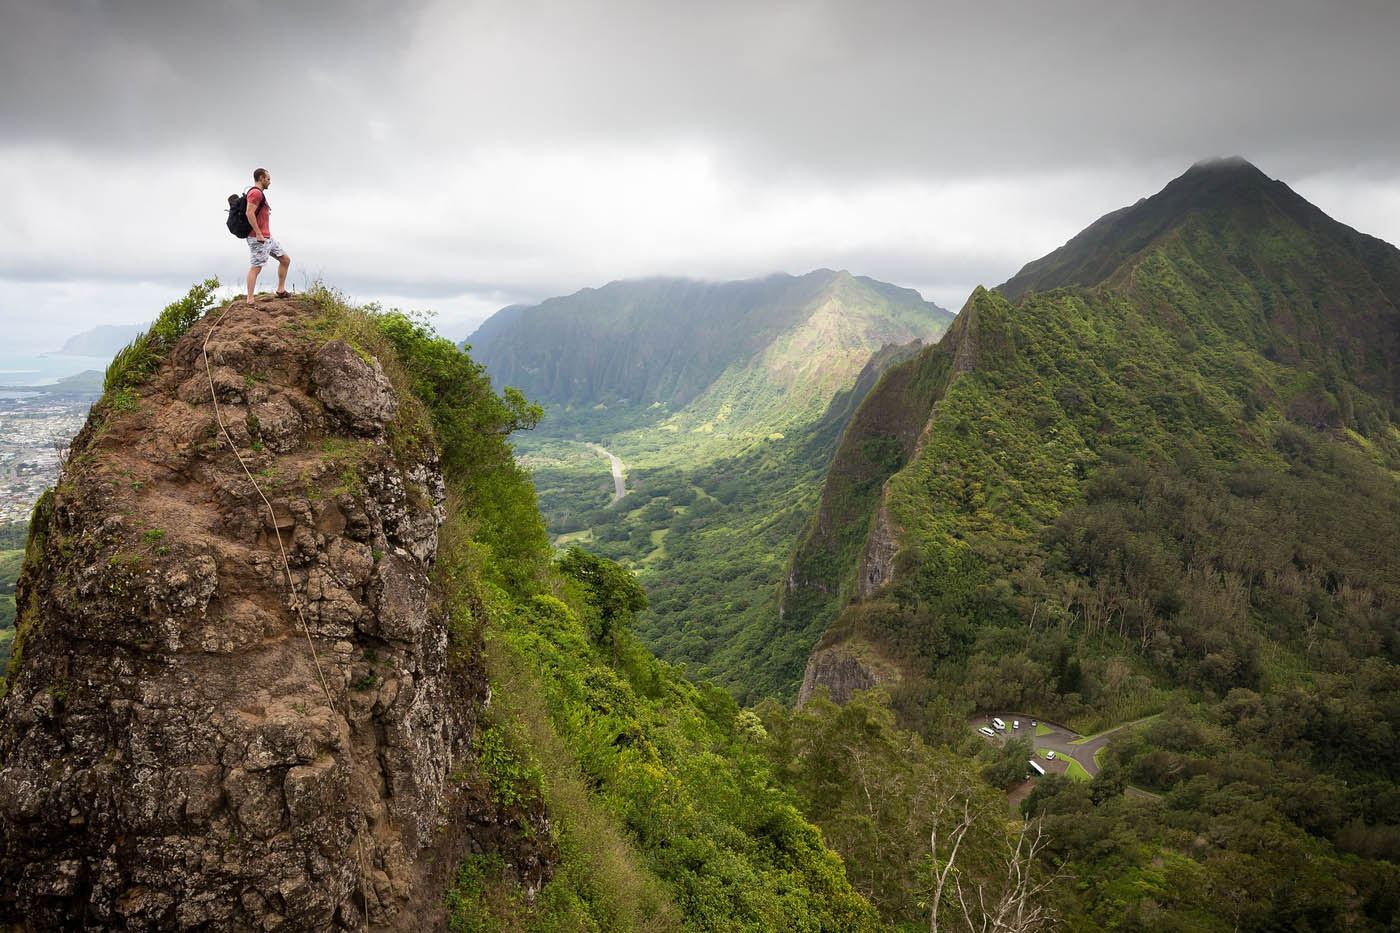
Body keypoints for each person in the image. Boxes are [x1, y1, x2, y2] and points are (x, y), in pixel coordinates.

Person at [243, 168, 291, 304]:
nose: (269, 182)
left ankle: (280, 291)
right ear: (261, 178)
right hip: (258, 237)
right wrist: (258, 233)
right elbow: (249, 213)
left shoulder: (259, 194)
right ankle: (250, 299)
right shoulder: (255, 193)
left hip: (267, 237)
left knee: (285, 259)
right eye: (268, 179)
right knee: (256, 267)